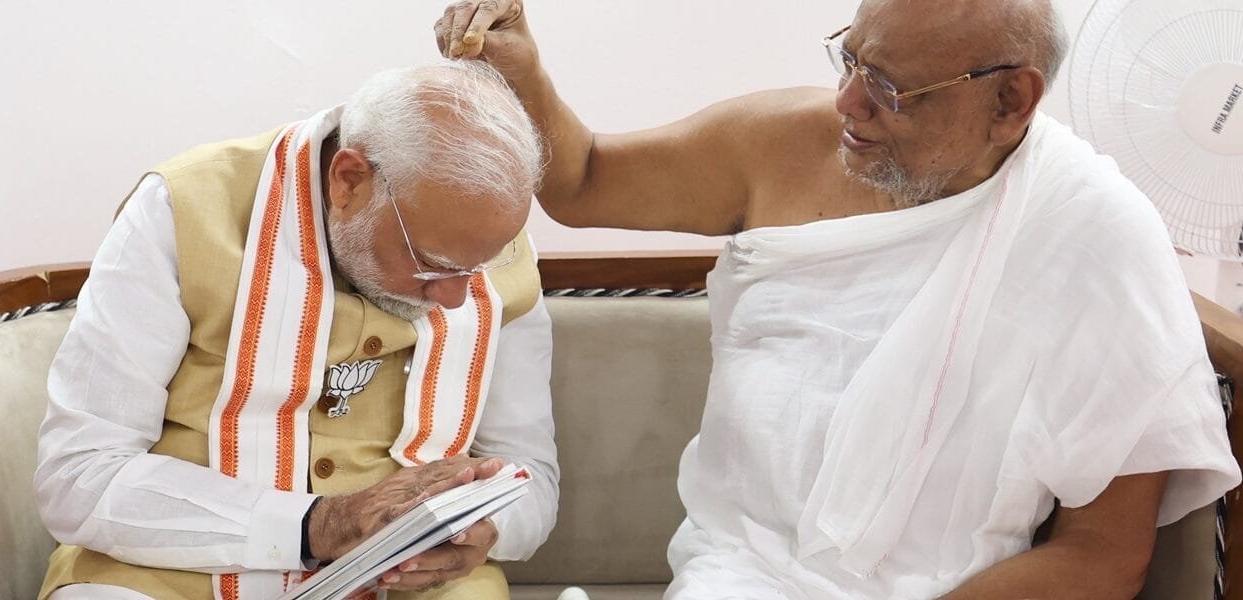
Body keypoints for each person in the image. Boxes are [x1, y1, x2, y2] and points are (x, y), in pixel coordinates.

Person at [434, 0, 1241, 598]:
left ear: (1011, 102)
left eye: (890, 88)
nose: (847, 104)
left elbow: (1102, 554)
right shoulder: (783, 141)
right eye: (848, 59)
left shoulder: (1096, 237)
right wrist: (523, 70)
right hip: (739, 573)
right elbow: (581, 184)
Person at [33, 60, 558, 600]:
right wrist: (321, 524)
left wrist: (482, 528)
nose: (454, 297)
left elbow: (532, 479)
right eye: (430, 264)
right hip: (172, 576)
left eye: (473, 271)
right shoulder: (182, 209)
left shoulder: (496, 256)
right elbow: (78, 477)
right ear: (348, 179)